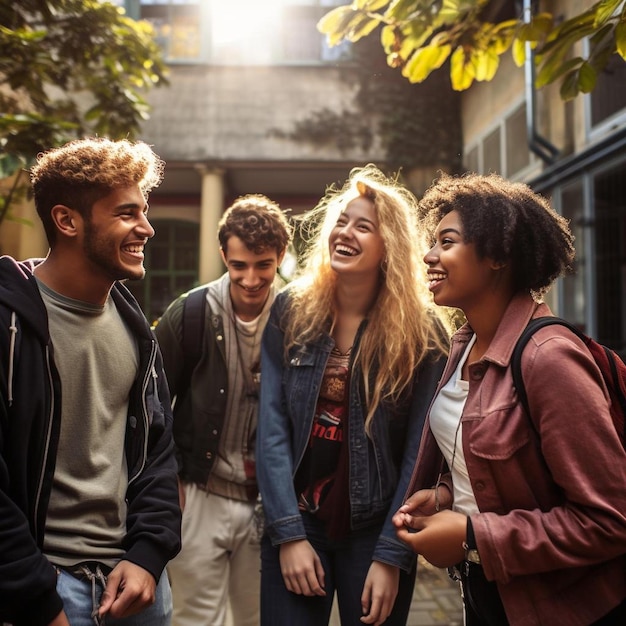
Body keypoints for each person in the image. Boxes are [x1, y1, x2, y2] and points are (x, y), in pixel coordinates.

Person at [393, 172, 626, 625]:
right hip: (488, 596)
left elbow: (612, 518)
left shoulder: (549, 359)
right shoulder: (464, 345)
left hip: (566, 609)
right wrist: (447, 495)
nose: (428, 255)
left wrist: (473, 536)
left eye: (447, 241)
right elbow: (503, 469)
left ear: (497, 254)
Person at [256, 164, 451, 626]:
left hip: (374, 528)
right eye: (341, 221)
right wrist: (287, 535)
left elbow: (419, 455)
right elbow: (271, 430)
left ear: (390, 246)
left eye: (363, 226)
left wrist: (391, 556)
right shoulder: (292, 309)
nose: (345, 231)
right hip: (299, 518)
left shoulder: (423, 334)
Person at [0, 137, 182, 626]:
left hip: (137, 588)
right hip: (45, 590)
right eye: (127, 214)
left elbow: (159, 454)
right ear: (67, 221)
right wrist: (37, 599)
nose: (146, 227)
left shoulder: (135, 327)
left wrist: (148, 556)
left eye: (143, 211)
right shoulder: (8, 325)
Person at [154, 194, 293, 626]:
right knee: (196, 618)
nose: (251, 279)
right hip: (200, 493)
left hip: (267, 503)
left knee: (257, 618)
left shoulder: (299, 317)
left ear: (280, 257)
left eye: (263, 265)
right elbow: (153, 403)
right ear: (223, 256)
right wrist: (169, 479)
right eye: (238, 266)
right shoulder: (190, 313)